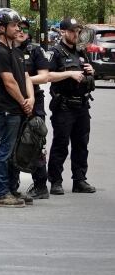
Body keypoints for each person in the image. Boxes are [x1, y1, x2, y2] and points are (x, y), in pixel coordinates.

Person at [0, 8, 34, 208]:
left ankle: (12, 189)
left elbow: (24, 77)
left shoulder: (15, 51)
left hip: (19, 109)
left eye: (18, 25)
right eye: (13, 25)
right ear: (1, 28)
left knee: (16, 152)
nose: (18, 28)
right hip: (8, 110)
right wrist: (24, 102)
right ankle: (1, 193)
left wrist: (31, 98)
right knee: (5, 151)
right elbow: (9, 82)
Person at [45, 17, 97, 195]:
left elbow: (88, 77)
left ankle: (80, 180)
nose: (76, 34)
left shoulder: (81, 52)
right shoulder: (56, 52)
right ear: (63, 32)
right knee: (60, 144)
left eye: (78, 31)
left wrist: (91, 72)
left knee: (81, 145)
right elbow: (48, 75)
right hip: (64, 106)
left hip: (82, 105)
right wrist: (69, 74)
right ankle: (56, 181)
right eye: (73, 31)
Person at [15, 19, 52, 200]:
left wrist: (24, 79)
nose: (21, 32)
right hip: (14, 102)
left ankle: (40, 186)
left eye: (25, 29)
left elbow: (44, 77)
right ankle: (12, 186)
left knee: (36, 143)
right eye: (18, 28)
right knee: (15, 144)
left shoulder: (35, 51)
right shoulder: (8, 50)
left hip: (34, 102)